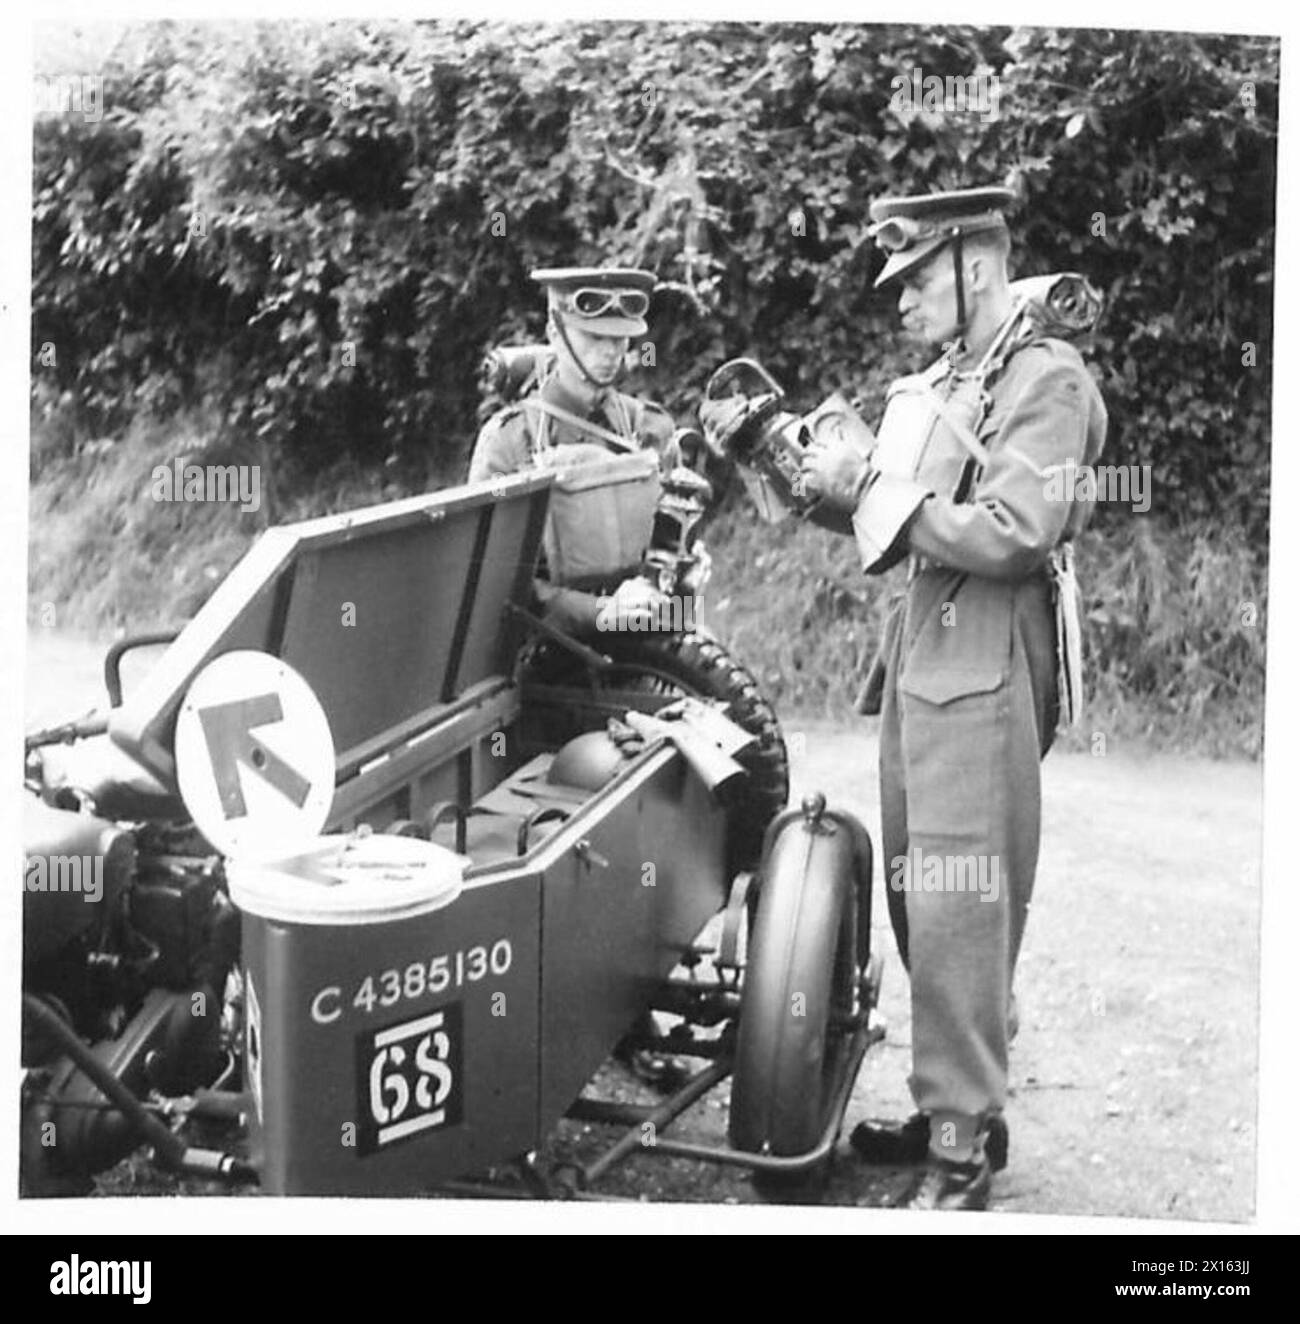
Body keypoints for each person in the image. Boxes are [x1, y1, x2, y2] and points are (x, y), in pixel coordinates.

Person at [793, 187, 1108, 1210]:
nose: (899, 301)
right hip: (924, 657)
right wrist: (817, 479)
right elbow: (900, 520)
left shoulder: (1046, 380)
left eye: (916, 277)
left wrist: (875, 489)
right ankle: (949, 1105)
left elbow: (1017, 530)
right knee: (916, 900)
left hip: (984, 657)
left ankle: (962, 1144)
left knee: (963, 902)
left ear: (976, 263)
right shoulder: (951, 380)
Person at [468, 266, 676, 636]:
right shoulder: (511, 441)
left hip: (645, 640)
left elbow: (672, 553)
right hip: (546, 655)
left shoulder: (649, 428)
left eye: (620, 339)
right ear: (555, 333)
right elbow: (492, 584)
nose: (611, 352)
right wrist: (599, 612)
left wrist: (680, 593)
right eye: (594, 337)